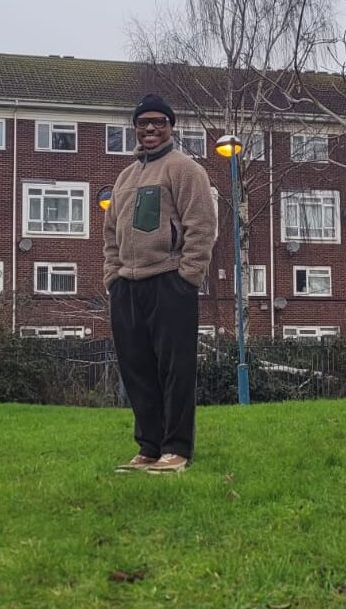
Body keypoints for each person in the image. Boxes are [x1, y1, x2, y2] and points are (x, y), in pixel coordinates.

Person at [102, 94, 217, 474]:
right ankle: (149, 447)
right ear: (135, 127)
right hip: (128, 287)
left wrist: (188, 277)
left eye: (159, 122)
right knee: (137, 370)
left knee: (175, 369)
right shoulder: (125, 177)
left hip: (170, 282)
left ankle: (176, 449)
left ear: (171, 127)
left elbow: (201, 225)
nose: (150, 128)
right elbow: (110, 232)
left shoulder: (185, 169)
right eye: (142, 122)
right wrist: (113, 277)